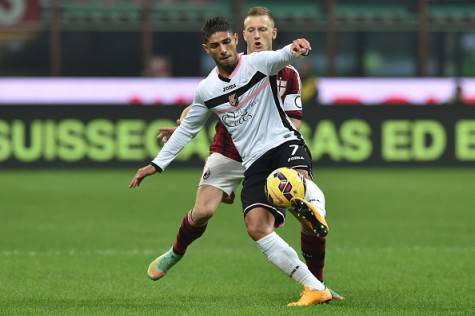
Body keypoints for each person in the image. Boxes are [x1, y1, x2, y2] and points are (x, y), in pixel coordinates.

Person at [130, 16, 335, 306]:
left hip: (281, 143)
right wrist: (156, 164)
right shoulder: (207, 89)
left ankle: (314, 216)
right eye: (216, 45)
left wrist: (297, 47)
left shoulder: (259, 63)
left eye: (227, 42)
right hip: (243, 157)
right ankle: (315, 283)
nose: (223, 49)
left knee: (298, 177)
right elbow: (189, 128)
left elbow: (282, 56)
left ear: (236, 41)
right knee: (250, 225)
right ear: (207, 49)